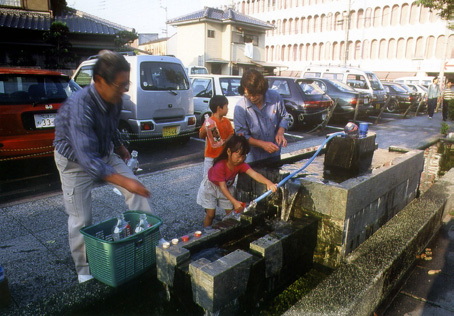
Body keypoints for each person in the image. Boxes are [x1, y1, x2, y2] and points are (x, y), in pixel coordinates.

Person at [53, 50, 154, 283]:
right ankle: (84, 270)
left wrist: (119, 146)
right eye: (120, 85)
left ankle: (148, 239)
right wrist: (123, 180)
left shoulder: (115, 97)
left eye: (126, 84)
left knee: (138, 191)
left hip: (105, 152)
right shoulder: (80, 105)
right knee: (81, 218)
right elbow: (88, 160)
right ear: (98, 81)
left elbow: (112, 126)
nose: (124, 90)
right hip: (74, 161)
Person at [196, 135, 278, 228]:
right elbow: (222, 187)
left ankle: (229, 230)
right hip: (211, 187)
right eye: (238, 156)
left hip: (226, 186)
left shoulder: (241, 164)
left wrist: (268, 182)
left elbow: (254, 174)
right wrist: (235, 202)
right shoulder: (220, 166)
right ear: (228, 151)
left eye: (243, 156)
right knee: (211, 214)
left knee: (231, 214)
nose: (241, 159)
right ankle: (206, 232)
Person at [234, 69, 289, 163]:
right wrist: (262, 144)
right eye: (248, 95)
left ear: (262, 90)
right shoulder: (240, 108)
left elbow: (284, 116)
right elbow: (242, 136)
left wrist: (280, 132)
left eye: (255, 94)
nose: (252, 98)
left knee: (274, 176)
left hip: (274, 152)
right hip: (252, 156)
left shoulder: (275, 97)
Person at [199, 95, 234, 177]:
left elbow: (231, 133)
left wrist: (226, 140)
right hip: (210, 156)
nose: (227, 109)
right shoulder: (209, 122)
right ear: (219, 108)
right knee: (208, 177)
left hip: (223, 155)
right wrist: (204, 128)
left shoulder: (226, 121)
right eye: (226, 106)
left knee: (221, 176)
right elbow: (201, 135)